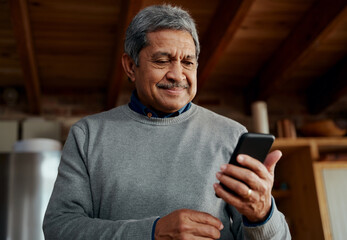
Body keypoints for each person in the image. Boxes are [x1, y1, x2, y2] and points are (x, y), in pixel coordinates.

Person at [43, 4, 291, 240]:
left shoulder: (232, 135)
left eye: (188, 62)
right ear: (131, 66)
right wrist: (152, 233)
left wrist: (262, 215)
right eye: (162, 61)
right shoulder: (87, 135)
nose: (177, 74)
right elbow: (59, 228)